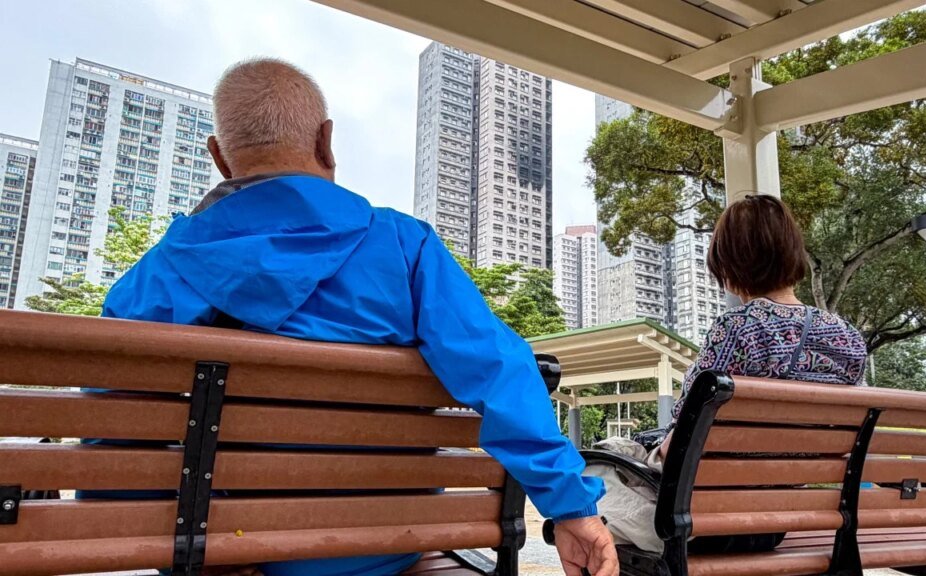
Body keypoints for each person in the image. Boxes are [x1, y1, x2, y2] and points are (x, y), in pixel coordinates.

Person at [99, 58, 618, 576]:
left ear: (219, 157)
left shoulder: (151, 283)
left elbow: (107, 453)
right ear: (326, 142)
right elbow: (499, 371)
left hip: (221, 557)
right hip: (383, 552)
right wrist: (571, 505)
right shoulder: (405, 248)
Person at [591, 194, 867, 555]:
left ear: (731, 263)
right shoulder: (848, 338)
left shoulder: (739, 328)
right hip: (779, 519)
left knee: (594, 469)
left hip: (707, 520)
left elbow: (685, 427)